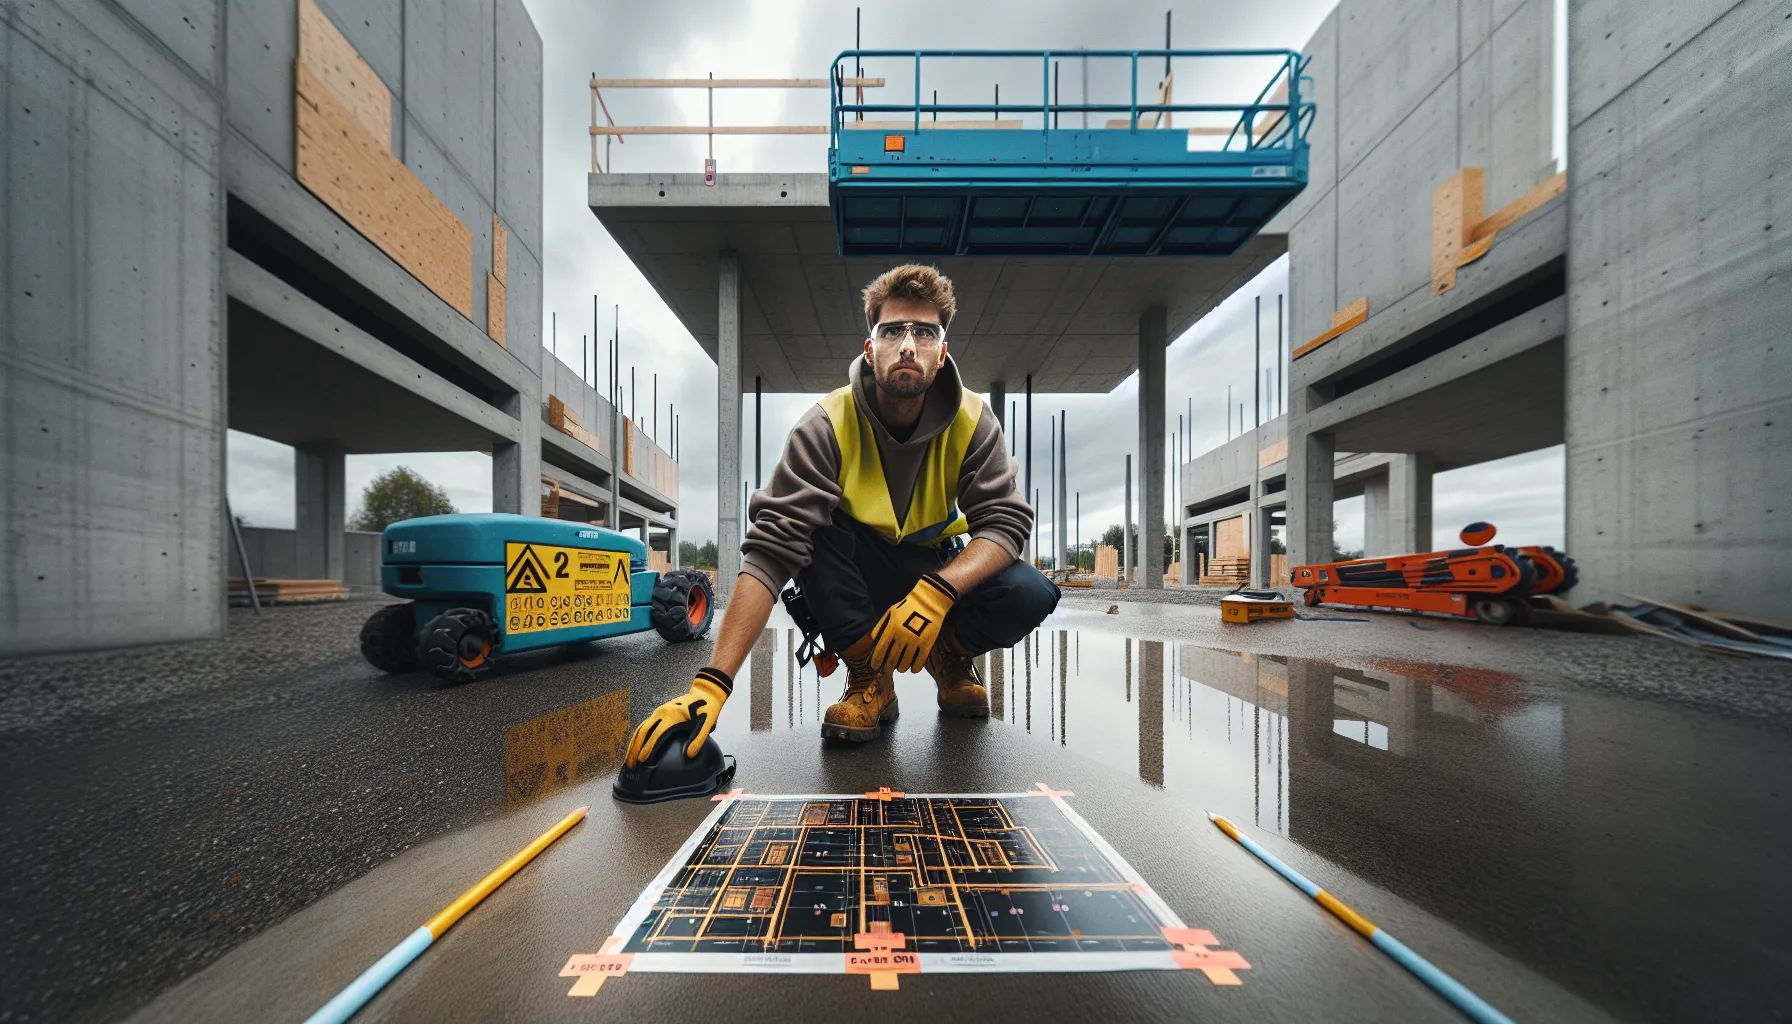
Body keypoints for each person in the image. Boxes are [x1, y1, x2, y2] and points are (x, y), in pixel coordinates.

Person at [624, 264, 1058, 768]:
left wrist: (939, 592)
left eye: (925, 332)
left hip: (936, 569)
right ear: (870, 348)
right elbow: (770, 552)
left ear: (942, 353)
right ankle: (871, 676)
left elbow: (1004, 524)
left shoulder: (973, 420)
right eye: (892, 331)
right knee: (813, 534)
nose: (908, 345)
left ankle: (949, 656)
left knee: (1030, 591)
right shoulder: (827, 424)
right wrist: (711, 683)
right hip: (858, 573)